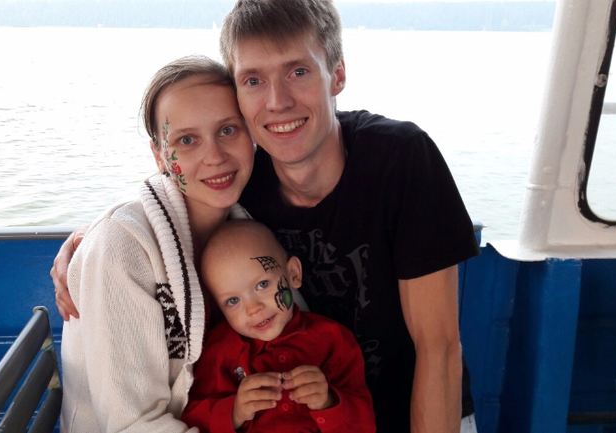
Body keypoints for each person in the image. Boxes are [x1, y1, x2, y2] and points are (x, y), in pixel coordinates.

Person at [51, 0, 481, 431]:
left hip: (410, 410)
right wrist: (93, 244)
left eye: (298, 72)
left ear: (338, 74)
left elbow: (439, 348)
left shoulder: (397, 159)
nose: (277, 102)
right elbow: (163, 210)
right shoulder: (240, 185)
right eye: (254, 80)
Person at [58, 55, 256, 432]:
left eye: (229, 130)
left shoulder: (252, 225)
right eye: (187, 140)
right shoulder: (120, 248)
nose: (215, 156)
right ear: (159, 155)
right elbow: (131, 424)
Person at [180, 220, 375, 432]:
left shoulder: (334, 339)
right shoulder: (220, 350)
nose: (253, 308)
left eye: (263, 284)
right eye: (233, 301)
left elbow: (365, 423)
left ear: (293, 274)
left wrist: (328, 401)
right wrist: (234, 412)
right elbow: (192, 420)